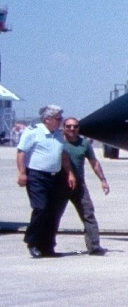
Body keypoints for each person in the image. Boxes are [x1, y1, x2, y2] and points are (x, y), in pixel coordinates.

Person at [14, 105, 75, 258]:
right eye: (58, 118)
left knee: (52, 212)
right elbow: (21, 153)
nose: (61, 121)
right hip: (36, 176)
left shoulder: (59, 135)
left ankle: (47, 246)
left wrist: (70, 174)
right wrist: (22, 173)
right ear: (47, 119)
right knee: (40, 208)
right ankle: (32, 242)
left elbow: (64, 156)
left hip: (54, 177)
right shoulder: (33, 132)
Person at [60, 117, 109, 255]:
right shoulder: (58, 142)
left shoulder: (84, 144)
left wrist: (103, 180)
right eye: (68, 126)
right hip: (59, 184)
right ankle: (47, 246)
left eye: (75, 126)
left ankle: (94, 246)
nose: (72, 129)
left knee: (88, 213)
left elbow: (94, 162)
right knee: (54, 215)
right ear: (63, 127)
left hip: (79, 185)